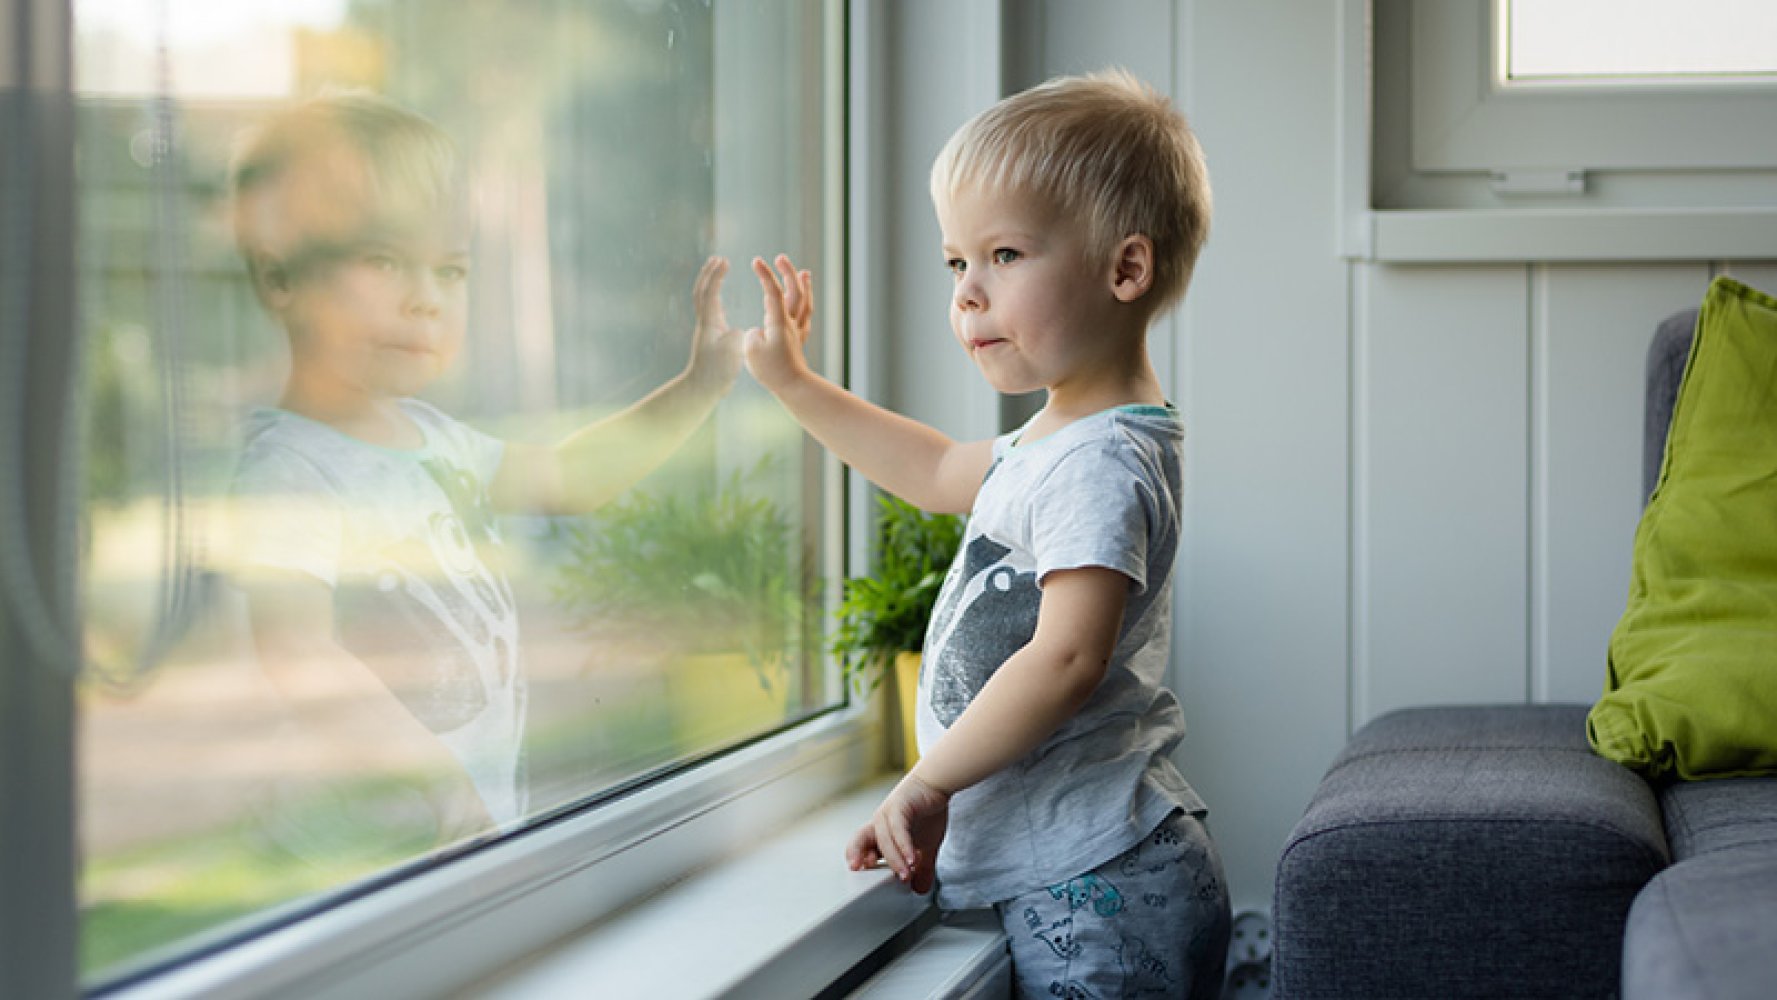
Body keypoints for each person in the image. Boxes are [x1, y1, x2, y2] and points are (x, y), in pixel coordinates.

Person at [743, 69, 1230, 997]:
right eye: (955, 263)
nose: (967, 294)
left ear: (1124, 269)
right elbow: (930, 471)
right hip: (1080, 874)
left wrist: (928, 780)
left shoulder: (1099, 463)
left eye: (1003, 255)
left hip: (1101, 886)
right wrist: (794, 385)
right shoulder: (1059, 439)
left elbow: (1064, 660)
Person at [226, 92, 742, 842]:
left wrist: (697, 388)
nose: (425, 300)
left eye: (451, 270)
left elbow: (573, 476)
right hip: (359, 853)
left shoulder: (440, 442)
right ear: (280, 279)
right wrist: (426, 768)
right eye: (382, 260)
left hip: (458, 835)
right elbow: (296, 650)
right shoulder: (291, 470)